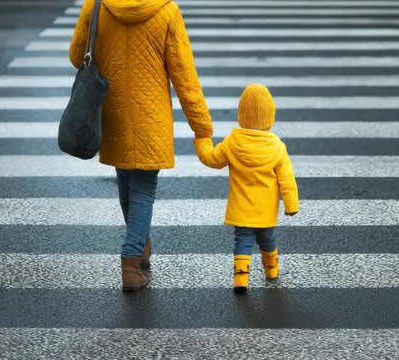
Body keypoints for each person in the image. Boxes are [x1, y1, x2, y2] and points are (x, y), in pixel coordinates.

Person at [69, 0, 213, 291]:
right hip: (150, 117)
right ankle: (132, 261)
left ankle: (140, 247)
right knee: (144, 190)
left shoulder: (97, 5)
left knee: (126, 183)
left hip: (113, 111)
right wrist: (202, 128)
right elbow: (184, 76)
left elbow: (76, 55)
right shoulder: (167, 10)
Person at [194, 84, 300, 294]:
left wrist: (202, 141)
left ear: (242, 114)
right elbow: (286, 179)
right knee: (267, 239)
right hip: (265, 210)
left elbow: (212, 159)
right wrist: (291, 205)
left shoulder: (233, 142)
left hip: (241, 208)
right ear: (270, 117)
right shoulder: (277, 146)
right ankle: (271, 271)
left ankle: (241, 281)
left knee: (242, 241)